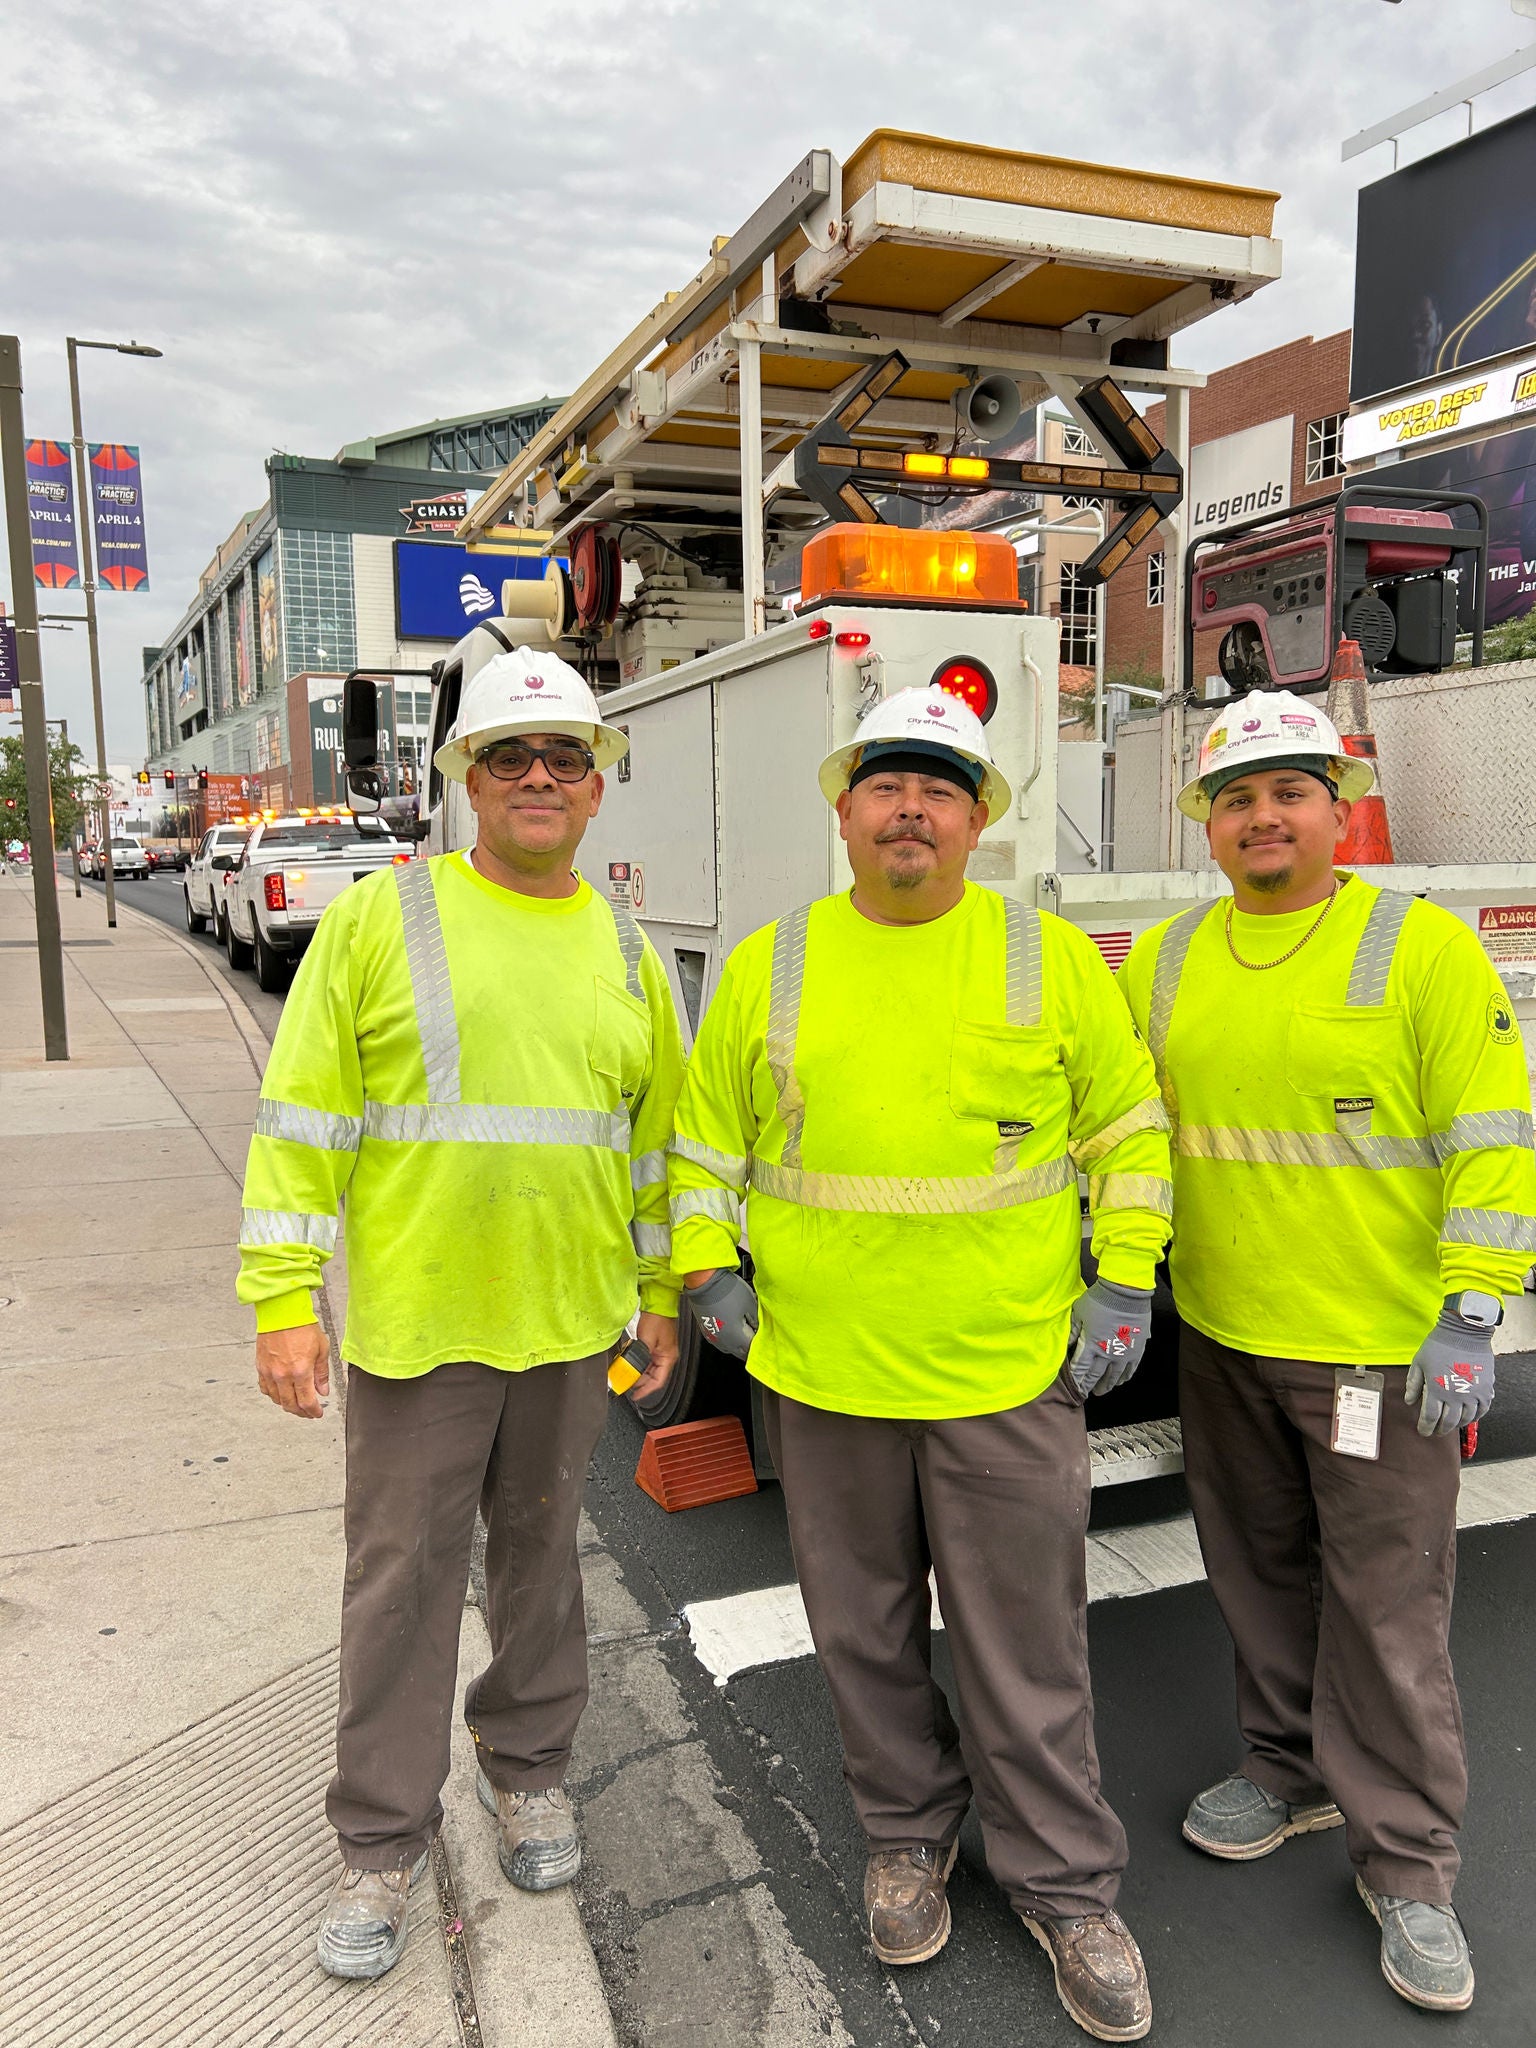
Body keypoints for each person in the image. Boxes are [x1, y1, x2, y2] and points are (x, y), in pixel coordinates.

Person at [669, 685, 1172, 2042]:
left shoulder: (1050, 961)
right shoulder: (774, 965)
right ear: (843, 813)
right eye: (886, 783)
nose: (911, 807)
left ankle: (1065, 1888)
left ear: (979, 818)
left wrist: (1125, 1279)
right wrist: (704, 1266)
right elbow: (702, 1145)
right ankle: (906, 1838)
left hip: (1004, 1375)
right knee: (866, 1639)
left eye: (940, 786)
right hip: (823, 1378)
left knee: (1029, 1651)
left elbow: (1128, 1129)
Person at [237, 647, 685, 1980]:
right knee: (402, 1585)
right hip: (422, 1328)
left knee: (541, 1570)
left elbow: (651, 1150)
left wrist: (657, 1294)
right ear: (467, 782)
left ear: (599, 789)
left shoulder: (624, 948)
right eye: (512, 759)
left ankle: (528, 1767)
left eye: (566, 760)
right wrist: (282, 1297)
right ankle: (379, 1841)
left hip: (566, 1320)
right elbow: (302, 1118)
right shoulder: (386, 918)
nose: (541, 780)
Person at [1117, 689, 1536, 2015]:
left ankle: (1408, 1866)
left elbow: (1492, 1134)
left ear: (1340, 803)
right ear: (1210, 826)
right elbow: (1129, 1131)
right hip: (1227, 1335)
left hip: (1376, 1354)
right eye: (1238, 798)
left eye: (1290, 791)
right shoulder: (1167, 960)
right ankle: (1287, 1772)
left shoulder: (1419, 949)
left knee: (1389, 1615)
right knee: (1256, 1576)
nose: (1263, 816)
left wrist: (1474, 1309)